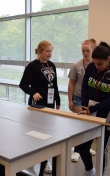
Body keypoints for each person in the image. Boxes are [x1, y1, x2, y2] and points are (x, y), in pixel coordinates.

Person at [79, 41, 110, 176]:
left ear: (108, 59)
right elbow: (85, 87)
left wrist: (93, 108)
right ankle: (89, 170)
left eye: (100, 64)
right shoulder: (92, 67)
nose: (97, 67)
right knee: (83, 146)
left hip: (107, 114)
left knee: (102, 148)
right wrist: (85, 105)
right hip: (90, 111)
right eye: (95, 63)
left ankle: (100, 174)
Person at [19, 40, 61, 175]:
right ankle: (35, 158)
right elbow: (23, 84)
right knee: (37, 134)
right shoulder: (32, 66)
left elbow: (54, 84)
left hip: (50, 104)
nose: (50, 54)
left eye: (51, 51)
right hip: (37, 105)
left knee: (48, 133)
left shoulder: (52, 65)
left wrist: (58, 100)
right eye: (47, 51)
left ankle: (45, 160)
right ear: (40, 51)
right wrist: (33, 92)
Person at [68, 39, 97, 162]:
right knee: (79, 125)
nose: (85, 53)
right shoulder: (77, 66)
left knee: (89, 126)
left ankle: (85, 147)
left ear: (93, 51)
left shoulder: (97, 65)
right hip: (78, 97)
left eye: (88, 51)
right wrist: (70, 100)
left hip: (91, 99)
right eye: (83, 51)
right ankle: (76, 150)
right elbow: (71, 84)